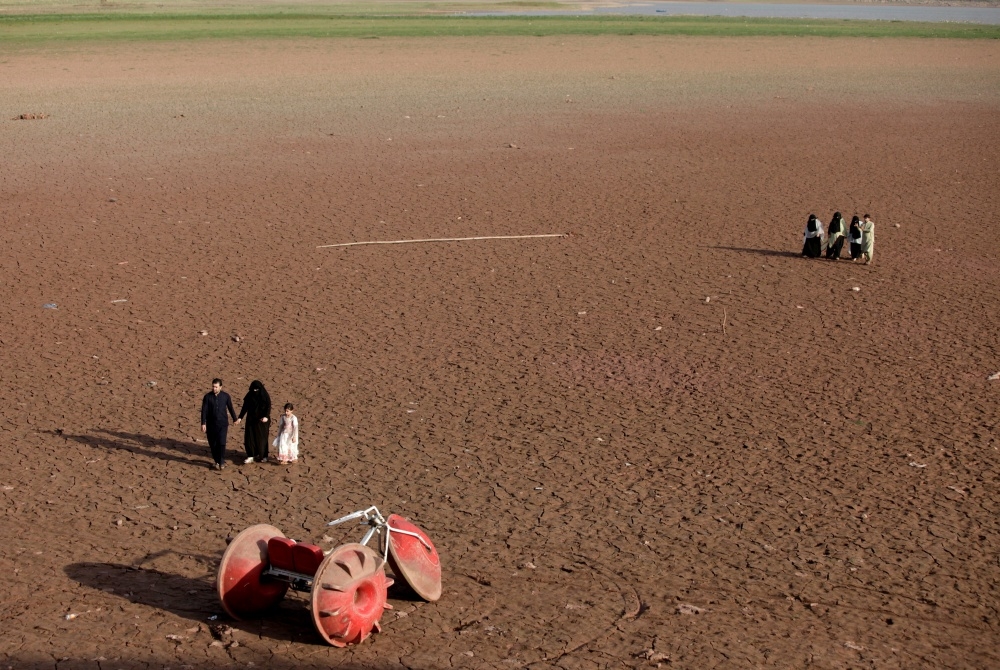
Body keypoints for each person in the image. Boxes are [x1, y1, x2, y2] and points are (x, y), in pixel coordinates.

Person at [201, 378, 237, 470]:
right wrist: (203, 423)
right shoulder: (207, 397)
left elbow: (230, 408)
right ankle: (216, 461)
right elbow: (204, 411)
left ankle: (221, 461)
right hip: (211, 424)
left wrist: (234, 418)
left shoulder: (226, 396)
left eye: (216, 387)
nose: (214, 388)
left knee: (222, 442)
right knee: (213, 444)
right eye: (213, 386)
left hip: (222, 424)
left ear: (221, 387)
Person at [238, 380, 271, 464]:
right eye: (254, 389)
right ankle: (251, 455)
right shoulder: (249, 396)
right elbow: (245, 407)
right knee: (250, 438)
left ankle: (263, 456)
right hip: (251, 420)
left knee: (262, 439)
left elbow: (268, 407)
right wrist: (240, 417)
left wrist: (266, 417)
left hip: (262, 422)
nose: (255, 391)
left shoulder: (264, 396)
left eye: (257, 389)